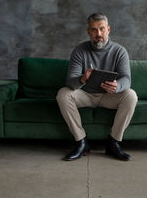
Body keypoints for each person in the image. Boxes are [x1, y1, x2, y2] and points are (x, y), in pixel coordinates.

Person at [56, 13, 138, 161]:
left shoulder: (119, 51)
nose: (98, 34)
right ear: (88, 31)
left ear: (108, 29)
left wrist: (117, 86)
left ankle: (113, 142)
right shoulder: (79, 51)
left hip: (109, 96)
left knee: (131, 95)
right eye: (93, 30)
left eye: (101, 29)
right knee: (63, 94)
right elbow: (70, 81)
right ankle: (81, 142)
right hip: (85, 95)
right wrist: (83, 78)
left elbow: (126, 79)